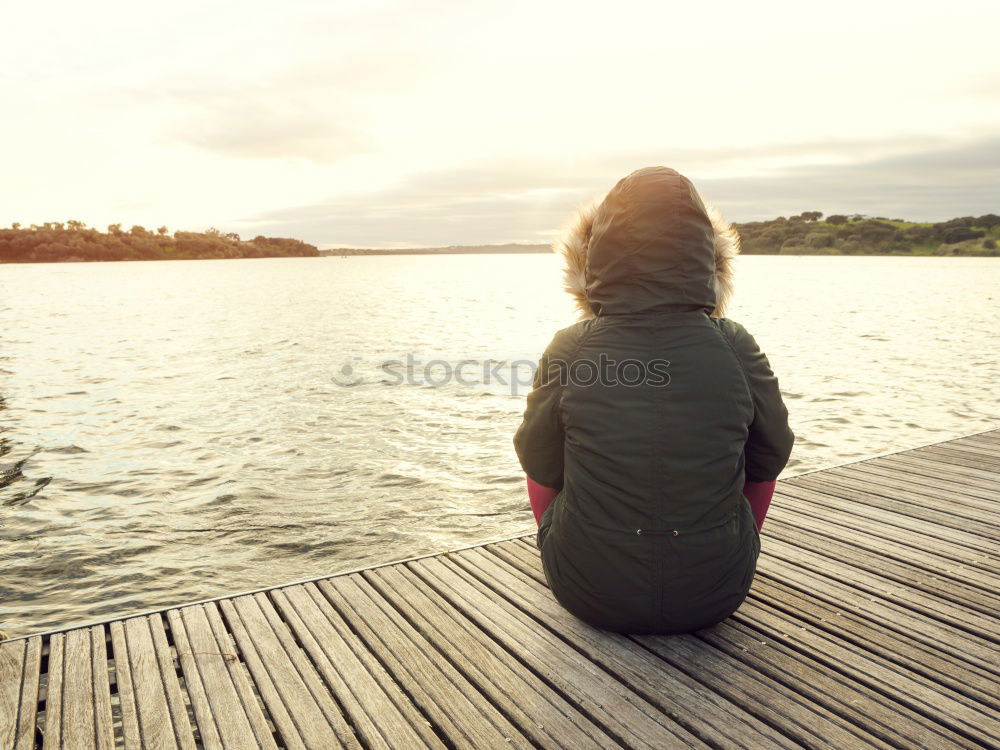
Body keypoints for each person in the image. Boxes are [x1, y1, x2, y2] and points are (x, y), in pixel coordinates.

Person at [513, 166, 794, 635]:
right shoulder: (735, 344)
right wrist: (737, 544)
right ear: (708, 256)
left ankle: (575, 553)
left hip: (588, 593)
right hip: (717, 593)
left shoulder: (571, 346)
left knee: (543, 447)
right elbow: (771, 457)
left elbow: (539, 464)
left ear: (594, 256)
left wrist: (561, 542)